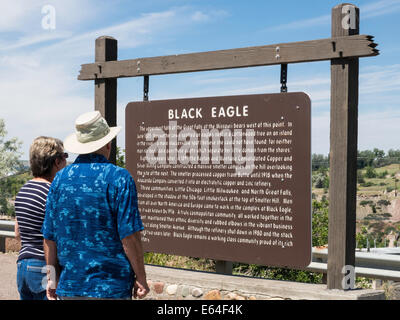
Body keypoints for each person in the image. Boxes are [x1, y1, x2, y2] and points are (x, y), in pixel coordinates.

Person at [42, 111, 149, 300]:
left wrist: (50, 278)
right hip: (112, 287)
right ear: (107, 144)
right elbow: (129, 237)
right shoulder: (119, 178)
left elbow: (49, 237)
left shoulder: (59, 180)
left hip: (70, 287)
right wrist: (141, 276)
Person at [14, 136, 67, 300]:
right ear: (57, 162)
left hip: (23, 268)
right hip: (44, 268)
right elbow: (60, 235)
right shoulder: (53, 192)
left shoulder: (23, 190)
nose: (66, 162)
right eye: (65, 156)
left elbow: (17, 233)